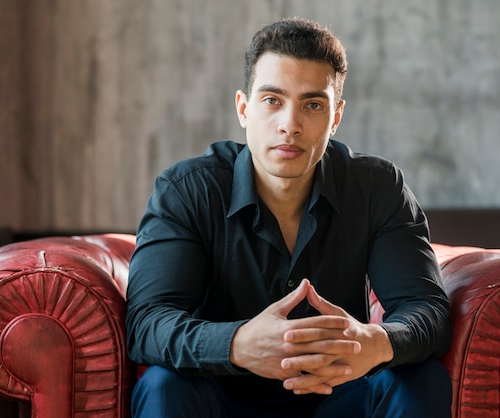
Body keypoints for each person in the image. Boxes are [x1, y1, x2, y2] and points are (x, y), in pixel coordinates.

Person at [126, 17, 452, 417]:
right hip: (219, 399)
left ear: (335, 118)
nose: (290, 125)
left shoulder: (377, 187)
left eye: (312, 105)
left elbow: (428, 310)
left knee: (420, 378)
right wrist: (238, 343)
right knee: (163, 386)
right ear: (244, 109)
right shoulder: (187, 190)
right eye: (272, 100)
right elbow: (147, 322)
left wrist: (375, 342)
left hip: (339, 398)